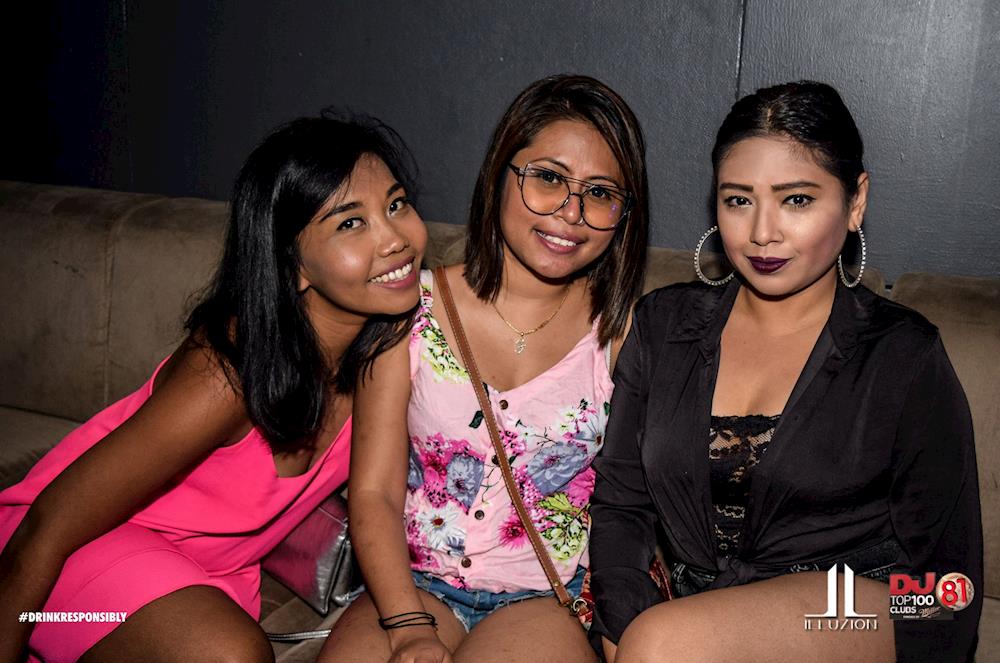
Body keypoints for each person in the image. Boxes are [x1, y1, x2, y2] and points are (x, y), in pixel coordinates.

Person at [0, 114, 428, 663]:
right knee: (230, 656)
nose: (394, 239)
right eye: (351, 223)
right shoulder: (230, 370)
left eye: (396, 204)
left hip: (207, 575)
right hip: (74, 557)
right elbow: (49, 525)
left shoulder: (398, 348)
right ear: (293, 264)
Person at [589, 80, 983, 663]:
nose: (761, 233)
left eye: (796, 200)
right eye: (738, 200)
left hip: (861, 608)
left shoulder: (903, 354)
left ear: (855, 201)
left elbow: (949, 587)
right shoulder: (663, 327)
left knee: (665, 641)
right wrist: (622, 622)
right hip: (691, 628)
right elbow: (622, 506)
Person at [319, 74, 649, 663]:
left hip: (541, 599)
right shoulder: (408, 309)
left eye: (600, 193)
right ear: (500, 172)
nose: (570, 213)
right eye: (548, 178)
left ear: (624, 213)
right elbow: (372, 491)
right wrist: (408, 626)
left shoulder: (622, 335)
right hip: (411, 585)